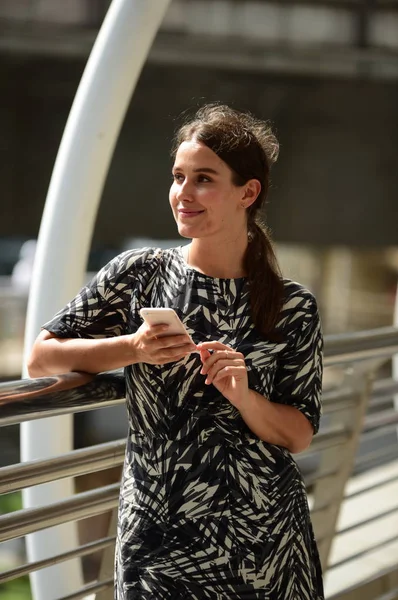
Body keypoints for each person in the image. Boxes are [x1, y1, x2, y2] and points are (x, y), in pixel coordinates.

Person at [28, 103, 324, 599]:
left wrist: (244, 395)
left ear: (247, 193)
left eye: (203, 179)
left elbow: (298, 434)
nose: (183, 193)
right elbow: (42, 356)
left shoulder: (293, 305)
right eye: (178, 177)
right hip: (156, 536)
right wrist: (132, 348)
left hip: (265, 543)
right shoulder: (139, 273)